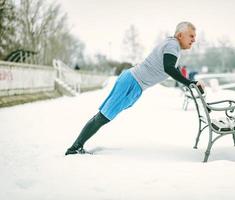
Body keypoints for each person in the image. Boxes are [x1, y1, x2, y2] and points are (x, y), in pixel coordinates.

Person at [65, 21, 205, 155]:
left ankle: (76, 146)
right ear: (180, 35)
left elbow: (174, 68)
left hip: (133, 81)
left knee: (104, 115)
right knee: (103, 116)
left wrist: (190, 82)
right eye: (191, 36)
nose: (193, 40)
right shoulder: (173, 45)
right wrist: (189, 83)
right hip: (132, 82)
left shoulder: (172, 45)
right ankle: (74, 148)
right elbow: (169, 68)